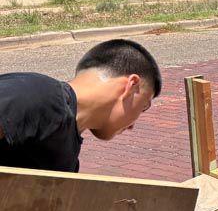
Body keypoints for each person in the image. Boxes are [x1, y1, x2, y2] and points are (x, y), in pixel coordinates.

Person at [0, 38, 162, 173]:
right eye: (143, 107)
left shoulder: (68, 149)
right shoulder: (38, 94)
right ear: (132, 85)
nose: (132, 126)